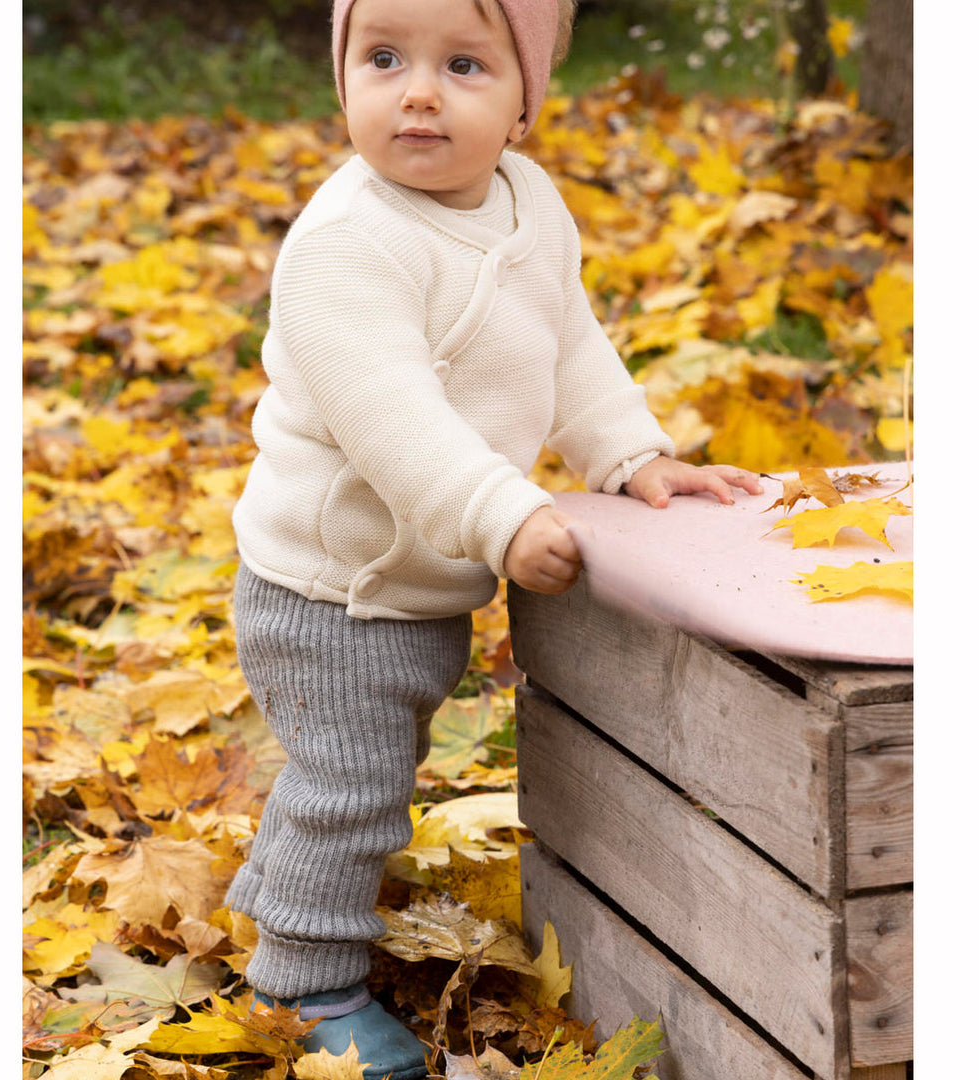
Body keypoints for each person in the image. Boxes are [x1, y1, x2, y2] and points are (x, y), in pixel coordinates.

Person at [225, 0, 762, 1075]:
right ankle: (304, 977)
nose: (417, 91)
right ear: (342, 81)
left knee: (363, 770)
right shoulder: (344, 246)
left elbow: (566, 343)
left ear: (524, 105)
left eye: (464, 64)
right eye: (382, 58)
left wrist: (629, 456)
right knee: (353, 781)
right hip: (333, 585)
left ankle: (280, 891)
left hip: (415, 580)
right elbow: (394, 420)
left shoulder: (529, 204)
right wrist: (503, 512)